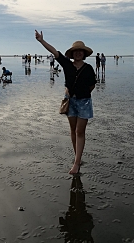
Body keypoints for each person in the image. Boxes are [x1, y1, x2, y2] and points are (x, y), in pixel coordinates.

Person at [35, 30, 96, 175]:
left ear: (84, 53)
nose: (78, 53)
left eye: (80, 51)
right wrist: (41, 41)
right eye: (75, 51)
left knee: (80, 131)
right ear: (72, 53)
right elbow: (54, 52)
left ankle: (76, 163)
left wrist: (83, 94)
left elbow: (92, 85)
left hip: (84, 102)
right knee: (73, 131)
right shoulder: (67, 65)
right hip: (70, 101)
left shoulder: (88, 69)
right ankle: (78, 157)